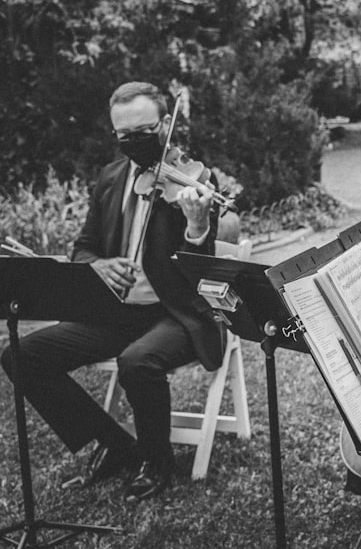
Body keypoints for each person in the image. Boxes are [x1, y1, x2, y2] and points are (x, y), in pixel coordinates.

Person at [1, 82, 225, 502]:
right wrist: (100, 266)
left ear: (165, 125)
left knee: (137, 361)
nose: (133, 142)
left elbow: (203, 271)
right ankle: (118, 445)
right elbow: (83, 247)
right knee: (20, 356)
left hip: (173, 313)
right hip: (115, 312)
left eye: (144, 131)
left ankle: (157, 462)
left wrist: (197, 228)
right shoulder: (110, 178)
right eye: (124, 135)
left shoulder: (195, 178)